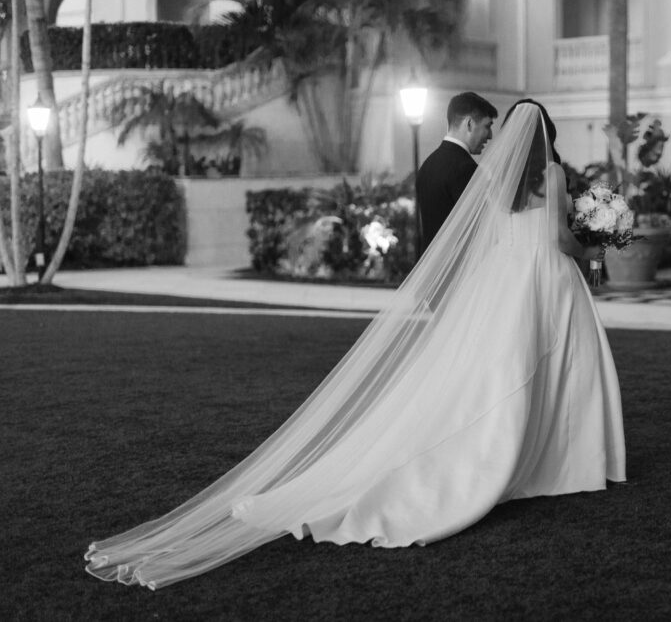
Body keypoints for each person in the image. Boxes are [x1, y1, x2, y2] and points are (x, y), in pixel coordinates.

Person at [84, 102, 626, 590]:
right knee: (556, 366)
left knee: (501, 371)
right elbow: (558, 239)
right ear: (548, 134)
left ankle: (524, 454)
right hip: (548, 279)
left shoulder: (495, 178)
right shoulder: (552, 174)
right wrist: (594, 243)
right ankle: (560, 459)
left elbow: (489, 234)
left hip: (503, 284)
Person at [415, 91, 497, 250]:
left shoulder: (427, 165)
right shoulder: (466, 169)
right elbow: (478, 231)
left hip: (431, 269)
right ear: (469, 124)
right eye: (487, 126)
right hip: (458, 269)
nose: (490, 136)